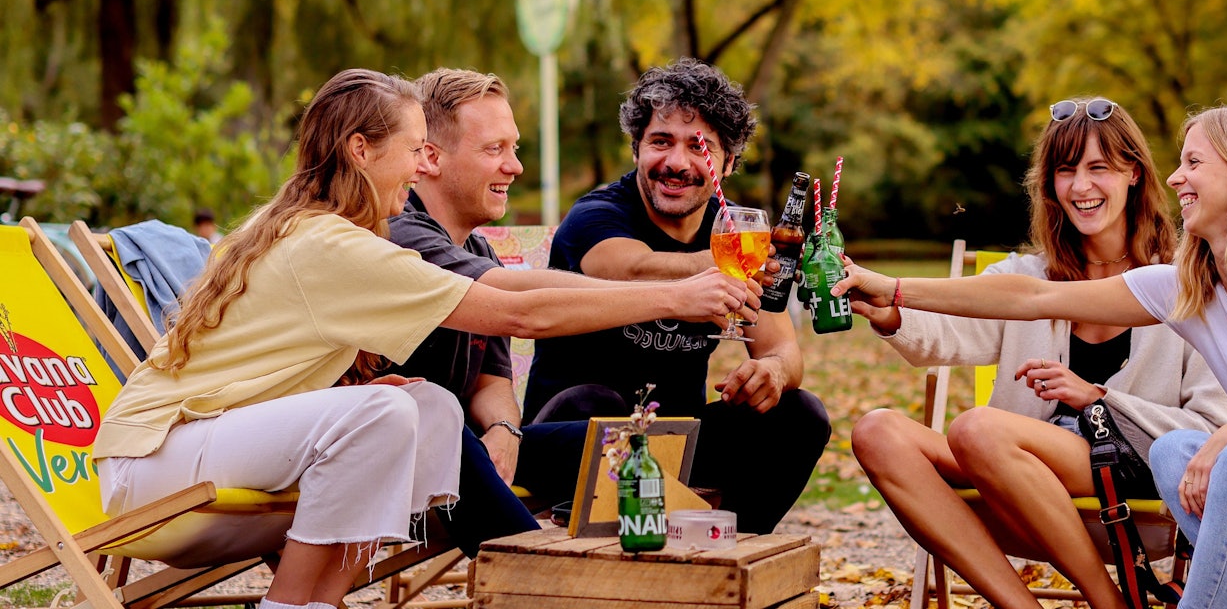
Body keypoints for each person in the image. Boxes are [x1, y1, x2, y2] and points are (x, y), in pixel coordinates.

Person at [92, 69, 758, 609]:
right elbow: (516, 313)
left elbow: (508, 300)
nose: (420, 168)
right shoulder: (331, 242)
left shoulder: (341, 233)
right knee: (387, 409)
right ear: (361, 150)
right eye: (413, 152)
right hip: (156, 470)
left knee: (425, 404)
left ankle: (320, 603)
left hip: (214, 455)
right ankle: (291, 607)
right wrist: (674, 296)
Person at [834, 105, 1227, 609]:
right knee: (1179, 453)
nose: (1175, 178)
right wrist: (892, 288)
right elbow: (1029, 296)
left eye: (1193, 163)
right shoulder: (1194, 285)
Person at [850, 97, 1227, 609]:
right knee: (877, 432)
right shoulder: (1028, 278)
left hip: (1136, 489)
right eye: (1065, 170)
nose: (1080, 187)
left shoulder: (1188, 280)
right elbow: (949, 327)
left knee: (977, 427)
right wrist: (890, 312)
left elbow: (1212, 427)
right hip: (1015, 485)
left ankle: (1109, 603)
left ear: (1135, 175)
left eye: (1099, 168)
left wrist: (1098, 400)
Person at [525, 58, 831, 534]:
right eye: (660, 142)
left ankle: (723, 557)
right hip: (568, 438)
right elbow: (627, 267)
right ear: (637, 151)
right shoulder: (597, 214)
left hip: (675, 439)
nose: (676, 163)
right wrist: (719, 268)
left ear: (727, 163)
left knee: (800, 415)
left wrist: (771, 372)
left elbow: (781, 348)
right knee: (596, 401)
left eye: (699, 146)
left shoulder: (733, 228)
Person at [384, 68, 641, 555]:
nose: (515, 167)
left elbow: (492, 381)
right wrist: (674, 295)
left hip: (464, 451)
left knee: (623, 447)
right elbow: (521, 310)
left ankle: (643, 578)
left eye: (515, 148)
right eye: (494, 149)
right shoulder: (400, 235)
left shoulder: (480, 246)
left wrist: (504, 430)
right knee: (436, 421)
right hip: (397, 449)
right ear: (432, 158)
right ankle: (539, 580)